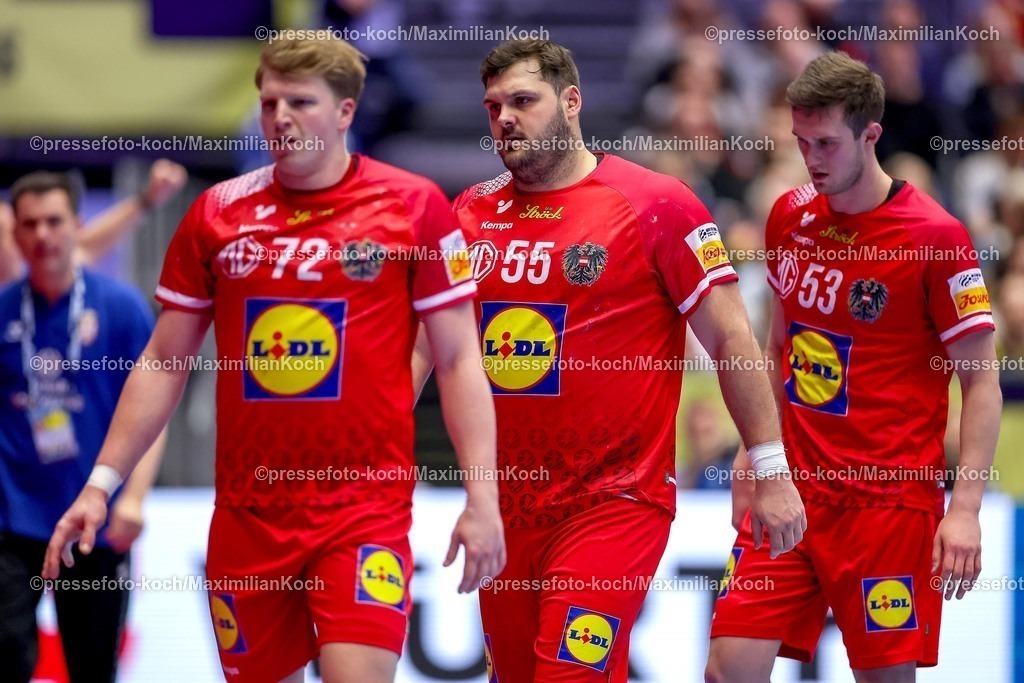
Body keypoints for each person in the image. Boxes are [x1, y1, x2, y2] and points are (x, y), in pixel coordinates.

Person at [42, 37, 505, 683]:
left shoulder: (412, 206)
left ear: (345, 111)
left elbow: (458, 360)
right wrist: (101, 484)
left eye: (300, 101)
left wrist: (482, 497)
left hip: (362, 509)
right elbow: (163, 361)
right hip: (247, 516)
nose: (280, 117)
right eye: (268, 102)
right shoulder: (217, 214)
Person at [412, 39, 806, 682]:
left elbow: (732, 340)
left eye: (523, 101)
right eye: (492, 107)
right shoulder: (471, 214)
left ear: (571, 103)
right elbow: (425, 347)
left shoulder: (656, 203)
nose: (504, 119)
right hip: (507, 507)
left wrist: (769, 463)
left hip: (614, 500)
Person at [706, 51, 1002, 683]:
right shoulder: (789, 215)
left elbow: (981, 381)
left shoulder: (936, 237)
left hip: (887, 503)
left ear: (871, 135)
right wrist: (754, 448)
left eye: (827, 143)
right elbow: (778, 345)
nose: (812, 159)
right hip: (790, 490)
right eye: (801, 141)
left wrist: (967, 507)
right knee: (728, 670)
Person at [0, 171, 167, 683]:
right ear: (16, 235)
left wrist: (133, 498)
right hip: (11, 520)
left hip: (93, 520)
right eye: (29, 224)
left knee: (93, 667)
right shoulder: (4, 310)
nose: (42, 235)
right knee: (5, 657)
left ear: (77, 224)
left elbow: (151, 412)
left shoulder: (120, 308)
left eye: (54, 221)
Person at [0, 159, 188, 286]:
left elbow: (85, 244)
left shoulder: (45, 274)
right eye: (27, 225)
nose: (40, 235)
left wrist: (146, 200)